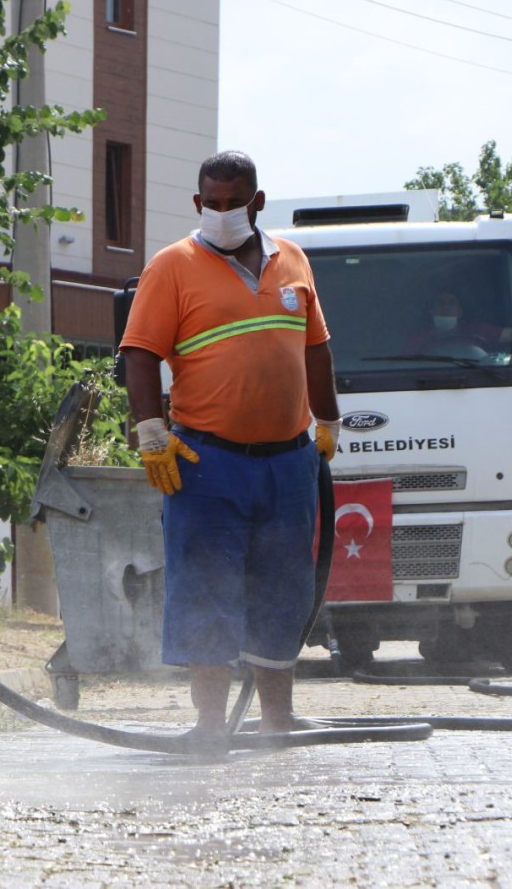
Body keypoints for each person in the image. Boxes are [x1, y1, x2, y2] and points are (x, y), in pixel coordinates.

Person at [118, 150, 340, 751]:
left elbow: (316, 348)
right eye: (211, 203)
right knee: (205, 589)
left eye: (234, 202)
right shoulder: (172, 267)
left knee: (283, 587)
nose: (222, 212)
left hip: (288, 461)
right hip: (207, 462)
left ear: (257, 202)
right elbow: (139, 354)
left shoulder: (293, 261)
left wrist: (328, 419)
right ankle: (210, 726)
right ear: (197, 203)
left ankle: (277, 719)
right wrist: (151, 430)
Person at [402, 291, 512, 355]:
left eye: (452, 303)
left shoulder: (477, 330)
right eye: (440, 303)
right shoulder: (416, 339)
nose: (446, 307)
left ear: (460, 312)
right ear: (431, 312)